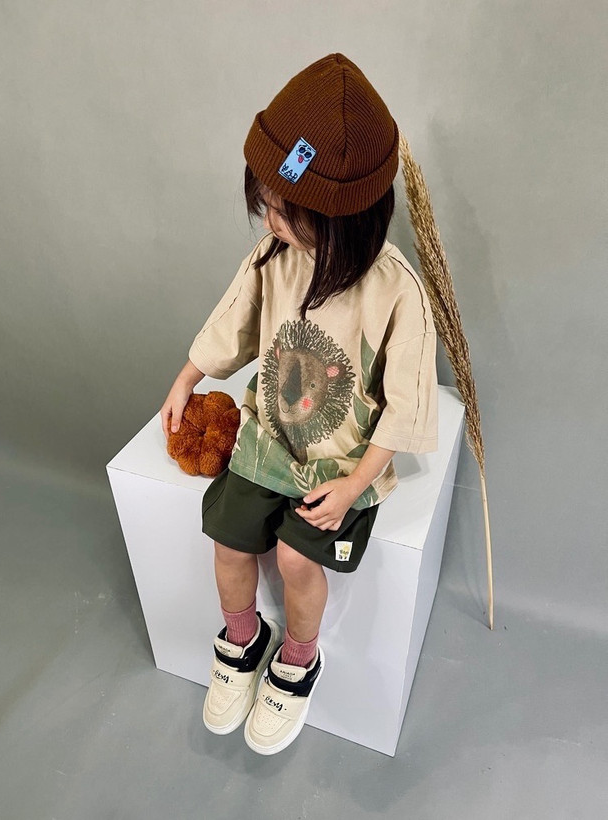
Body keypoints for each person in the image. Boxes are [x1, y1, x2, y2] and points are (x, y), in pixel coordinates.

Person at [159, 53, 439, 755]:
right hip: (269, 439)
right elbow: (234, 319)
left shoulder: (397, 291)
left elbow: (405, 401)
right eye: (266, 205)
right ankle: (242, 638)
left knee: (293, 559)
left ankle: (298, 658)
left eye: (284, 213)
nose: (269, 221)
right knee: (228, 539)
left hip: (341, 459)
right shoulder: (273, 258)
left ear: (346, 218)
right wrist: (187, 376)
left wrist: (356, 481)